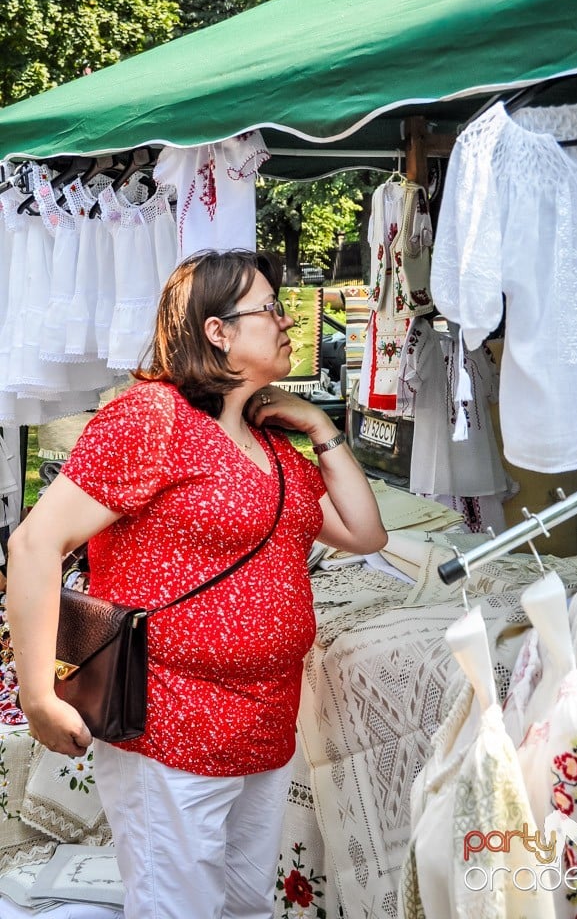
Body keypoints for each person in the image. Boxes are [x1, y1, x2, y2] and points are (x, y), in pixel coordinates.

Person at [6, 248, 387, 919]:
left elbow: (363, 532)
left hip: (264, 723)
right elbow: (36, 542)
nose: (284, 319)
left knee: (244, 908)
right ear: (218, 331)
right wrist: (38, 693)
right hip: (172, 722)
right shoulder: (152, 420)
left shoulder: (272, 447)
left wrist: (322, 428)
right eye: (269, 308)